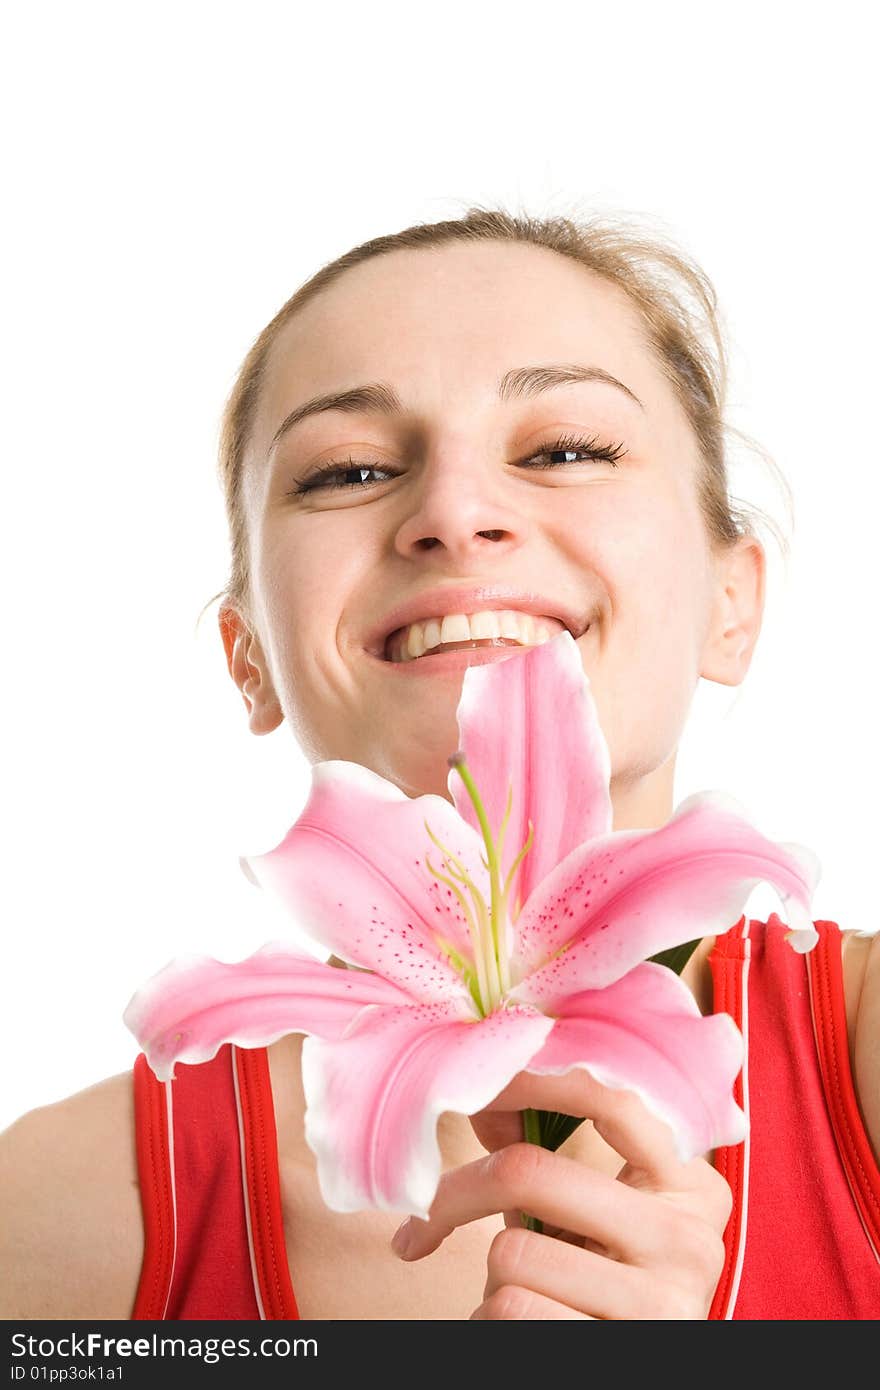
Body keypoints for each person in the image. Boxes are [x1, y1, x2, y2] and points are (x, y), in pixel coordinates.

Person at [2, 207, 878, 1322]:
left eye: (567, 449)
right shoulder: (53, 1219)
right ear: (250, 659)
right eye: (349, 469)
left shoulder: (857, 1051)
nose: (455, 516)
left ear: (731, 605)